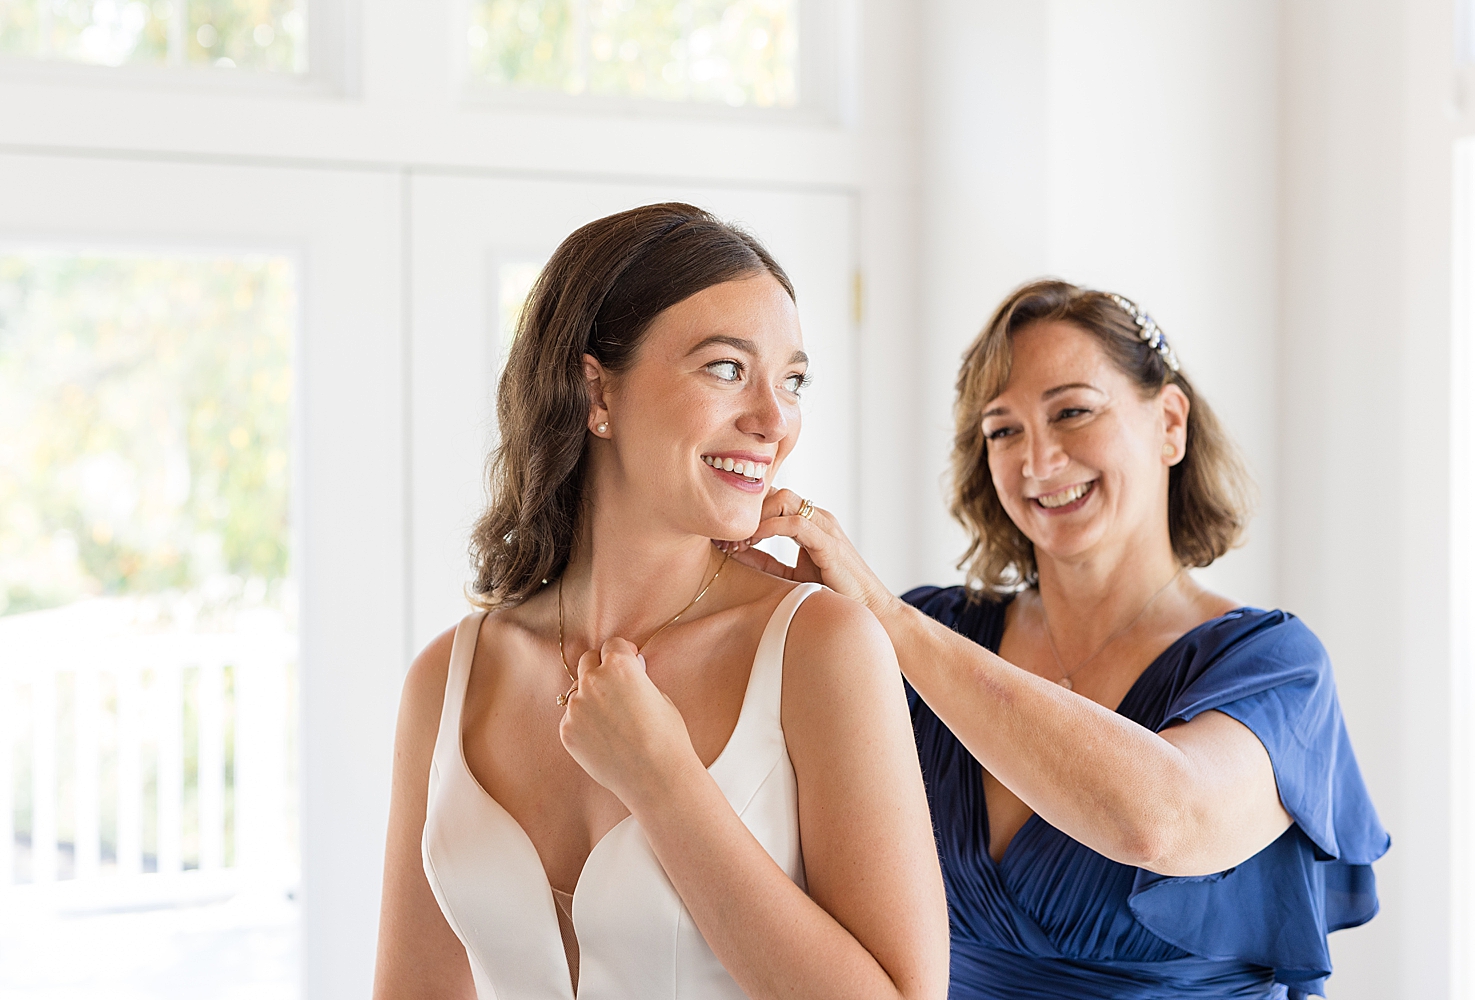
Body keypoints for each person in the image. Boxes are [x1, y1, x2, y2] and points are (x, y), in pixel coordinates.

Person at [728, 279, 1389, 999]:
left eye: (1072, 412)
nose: (1036, 463)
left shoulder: (1272, 666)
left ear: (1170, 422)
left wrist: (885, 619)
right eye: (1003, 430)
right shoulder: (938, 631)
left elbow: (1166, 822)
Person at [372, 203, 948, 1000]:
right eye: (725, 368)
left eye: (793, 381)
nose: (773, 420)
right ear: (593, 391)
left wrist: (665, 782)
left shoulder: (820, 648)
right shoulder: (449, 678)